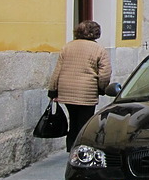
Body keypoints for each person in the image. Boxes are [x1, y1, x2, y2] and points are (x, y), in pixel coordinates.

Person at [47, 20, 112, 152]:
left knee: (73, 121)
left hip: (67, 91)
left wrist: (53, 90)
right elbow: (105, 73)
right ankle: (81, 150)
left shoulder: (68, 47)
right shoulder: (99, 49)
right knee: (85, 123)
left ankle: (71, 149)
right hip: (86, 91)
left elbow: (57, 70)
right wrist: (102, 88)